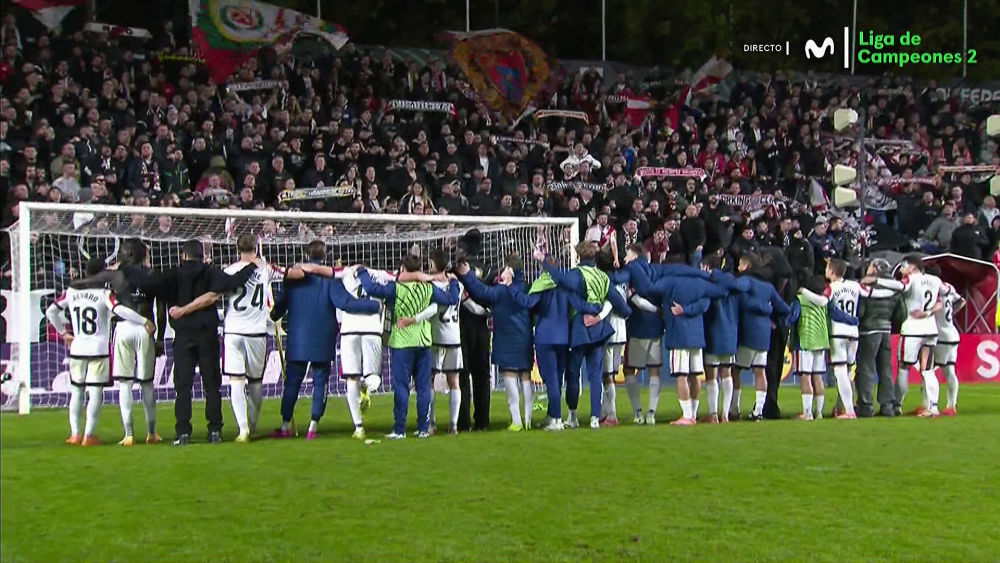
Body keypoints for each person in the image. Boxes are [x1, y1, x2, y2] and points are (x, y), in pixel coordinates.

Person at [169, 235, 308, 442]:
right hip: (257, 333)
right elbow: (296, 274)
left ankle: (242, 430)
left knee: (236, 381)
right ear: (257, 248)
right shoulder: (266, 269)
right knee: (255, 383)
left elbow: (212, 297)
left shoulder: (228, 271)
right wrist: (309, 267)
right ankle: (251, 426)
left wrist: (184, 309)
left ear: (236, 249)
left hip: (233, 332)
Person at [124, 240, 257, 445]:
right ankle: (215, 431)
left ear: (182, 255)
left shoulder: (174, 274)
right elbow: (233, 283)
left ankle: (183, 432)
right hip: (207, 334)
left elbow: (146, 283)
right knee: (212, 386)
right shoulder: (211, 272)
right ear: (202, 255)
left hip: (183, 335)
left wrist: (125, 267)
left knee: (183, 387)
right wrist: (251, 266)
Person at [269, 241, 380, 440]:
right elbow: (345, 303)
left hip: (297, 337)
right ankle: (313, 428)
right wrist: (374, 306)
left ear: (306, 253)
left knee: (292, 383)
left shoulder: (294, 278)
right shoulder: (330, 279)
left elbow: (280, 306)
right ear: (325, 255)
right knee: (320, 383)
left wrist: (274, 313)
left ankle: (285, 425)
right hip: (323, 337)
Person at [69, 239, 166, 445]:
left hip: (123, 327)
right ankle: (151, 433)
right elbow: (161, 309)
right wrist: (159, 338)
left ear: (127, 254)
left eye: (122, 252)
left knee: (125, 384)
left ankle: (129, 434)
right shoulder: (153, 274)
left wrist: (78, 284)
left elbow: (82, 283)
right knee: (147, 384)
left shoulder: (116, 275)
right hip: (146, 327)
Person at [46, 257, 151, 446]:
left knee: (76, 392)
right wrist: (143, 321)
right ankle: (89, 435)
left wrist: (64, 333)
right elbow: (120, 310)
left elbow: (51, 312)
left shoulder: (71, 292)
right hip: (98, 348)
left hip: (77, 346)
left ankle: (75, 434)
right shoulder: (104, 293)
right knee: (95, 392)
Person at [358, 255, 460, 439]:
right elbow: (451, 299)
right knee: (423, 387)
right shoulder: (428, 287)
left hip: (402, 342)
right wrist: (454, 282)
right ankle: (423, 428)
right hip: (423, 341)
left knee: (401, 386)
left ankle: (399, 429)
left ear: (403, 268)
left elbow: (372, 288)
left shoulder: (396, 287)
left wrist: (361, 272)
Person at [628, 254, 727, 425]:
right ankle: (693, 414)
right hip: (697, 335)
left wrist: (634, 267)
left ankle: (687, 416)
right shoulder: (701, 282)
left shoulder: (669, 281)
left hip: (678, 334)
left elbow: (647, 289)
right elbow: (722, 291)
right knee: (695, 375)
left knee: (681, 375)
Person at [543, 242, 631, 429]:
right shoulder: (603, 277)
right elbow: (620, 305)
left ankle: (573, 416)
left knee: (573, 374)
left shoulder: (577, 274)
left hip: (579, 329)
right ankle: (594, 418)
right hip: (598, 332)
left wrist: (547, 264)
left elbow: (563, 281)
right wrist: (607, 313)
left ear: (578, 257)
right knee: (596, 375)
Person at [526, 240, 604, 431]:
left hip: (545, 336)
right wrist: (597, 309)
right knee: (558, 379)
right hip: (564, 337)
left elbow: (528, 304)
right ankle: (552, 415)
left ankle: (557, 420)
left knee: (551, 379)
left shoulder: (540, 286)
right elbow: (580, 305)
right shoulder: (568, 289)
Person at [457, 253, 536, 431]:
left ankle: (517, 421)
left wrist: (468, 274)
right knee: (525, 376)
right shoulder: (527, 288)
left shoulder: (501, 291)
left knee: (509, 374)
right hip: (524, 337)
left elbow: (481, 291)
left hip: (506, 338)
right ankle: (528, 419)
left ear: (510, 270)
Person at [340, 262, 397, 439]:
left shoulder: (344, 274)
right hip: (373, 329)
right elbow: (399, 279)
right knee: (373, 376)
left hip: (349, 330)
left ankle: (358, 427)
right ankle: (368, 387)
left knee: (351, 378)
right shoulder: (380, 274)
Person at [733, 253, 791, 421]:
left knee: (735, 371)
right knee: (760, 372)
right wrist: (771, 312)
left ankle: (734, 409)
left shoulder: (746, 281)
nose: (738, 268)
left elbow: (743, 301)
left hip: (748, 333)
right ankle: (758, 411)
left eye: (740, 265)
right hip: (764, 335)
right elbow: (784, 308)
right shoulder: (769, 287)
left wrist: (764, 308)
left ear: (747, 266)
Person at [701, 255, 750, 423]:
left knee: (712, 373)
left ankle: (713, 414)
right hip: (730, 334)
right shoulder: (735, 288)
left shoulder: (709, 286)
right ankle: (725, 415)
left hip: (713, 333)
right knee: (727, 373)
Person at [621, 243, 665, 424]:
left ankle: (638, 412)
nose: (625, 258)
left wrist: (654, 310)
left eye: (627, 254)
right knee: (654, 370)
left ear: (634, 255)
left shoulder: (631, 270)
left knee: (629, 369)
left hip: (638, 326)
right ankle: (652, 413)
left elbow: (634, 298)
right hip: (655, 327)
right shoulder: (656, 270)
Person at [895, 255, 944, 417]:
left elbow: (895, 287)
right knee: (928, 370)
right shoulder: (935, 280)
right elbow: (945, 299)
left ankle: (897, 405)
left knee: (903, 367)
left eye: (903, 266)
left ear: (913, 267)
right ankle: (932, 406)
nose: (901, 269)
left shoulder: (909, 281)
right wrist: (928, 312)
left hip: (911, 330)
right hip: (931, 329)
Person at [855, 259, 904, 417]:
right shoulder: (895, 288)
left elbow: (861, 312)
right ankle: (888, 406)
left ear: (875, 268)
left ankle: (866, 406)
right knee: (886, 369)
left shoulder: (867, 286)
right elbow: (901, 314)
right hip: (886, 331)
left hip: (869, 331)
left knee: (866, 368)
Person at [455, 230, 493, 432]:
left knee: (463, 375)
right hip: (482, 328)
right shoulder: (488, 270)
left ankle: (463, 422)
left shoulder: (457, 270)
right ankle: (483, 422)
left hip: (461, 326)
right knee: (482, 375)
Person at [824, 259, 862, 419]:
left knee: (840, 371)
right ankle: (845, 406)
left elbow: (825, 304)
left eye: (827, 268)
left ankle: (849, 410)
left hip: (838, 332)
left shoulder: (831, 288)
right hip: (854, 333)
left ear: (832, 272)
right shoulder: (855, 286)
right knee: (847, 372)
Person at [928, 266, 964, 416]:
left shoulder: (935, 289)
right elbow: (962, 301)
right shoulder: (948, 287)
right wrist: (949, 316)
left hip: (941, 336)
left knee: (929, 370)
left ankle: (930, 405)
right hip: (952, 332)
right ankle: (951, 405)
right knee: (950, 370)